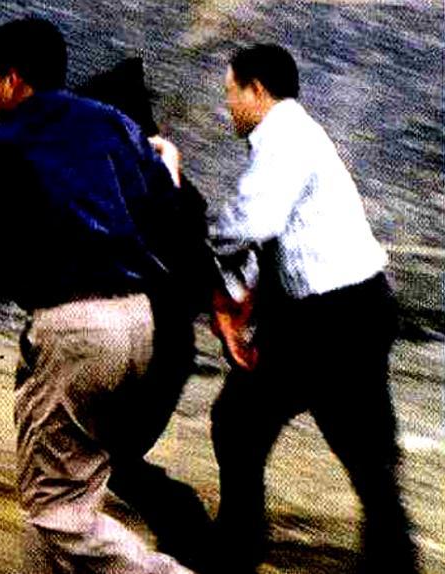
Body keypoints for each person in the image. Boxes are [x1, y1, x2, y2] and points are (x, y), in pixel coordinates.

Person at [0, 17, 218, 574]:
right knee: (73, 490)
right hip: (141, 322)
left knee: (58, 512)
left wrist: (43, 281)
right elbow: (170, 219)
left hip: (73, 330)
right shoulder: (115, 125)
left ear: (12, 77)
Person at [207, 44, 420, 573]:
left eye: (231, 93)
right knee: (364, 449)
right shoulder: (297, 135)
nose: (228, 106)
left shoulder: (282, 137)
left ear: (257, 90)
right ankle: (393, 561)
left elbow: (251, 223)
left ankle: (236, 549)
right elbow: (275, 238)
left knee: (239, 421)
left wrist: (207, 244)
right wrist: (239, 291)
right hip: (352, 307)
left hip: (332, 317)